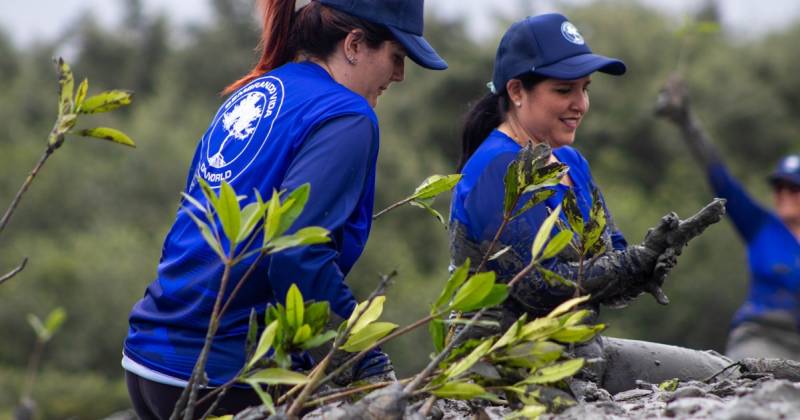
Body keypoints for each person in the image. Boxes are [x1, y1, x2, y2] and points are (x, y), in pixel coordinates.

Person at [122, 0, 447, 417]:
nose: (400, 75)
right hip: (224, 378)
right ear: (353, 44)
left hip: (149, 358)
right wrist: (365, 360)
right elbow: (297, 253)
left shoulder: (256, 92)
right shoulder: (347, 115)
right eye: (396, 56)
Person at [449, 13, 732, 394]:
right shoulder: (496, 169)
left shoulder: (571, 163)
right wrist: (633, 263)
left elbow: (609, 262)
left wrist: (652, 262)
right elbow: (539, 287)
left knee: (725, 370)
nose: (580, 104)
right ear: (516, 91)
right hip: (507, 369)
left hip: (580, 355)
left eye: (585, 88)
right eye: (564, 90)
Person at [656, 76, 800, 360]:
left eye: (793, 188)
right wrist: (687, 122)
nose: (783, 194)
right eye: (778, 187)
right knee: (746, 383)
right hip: (761, 335)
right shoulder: (761, 225)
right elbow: (722, 180)